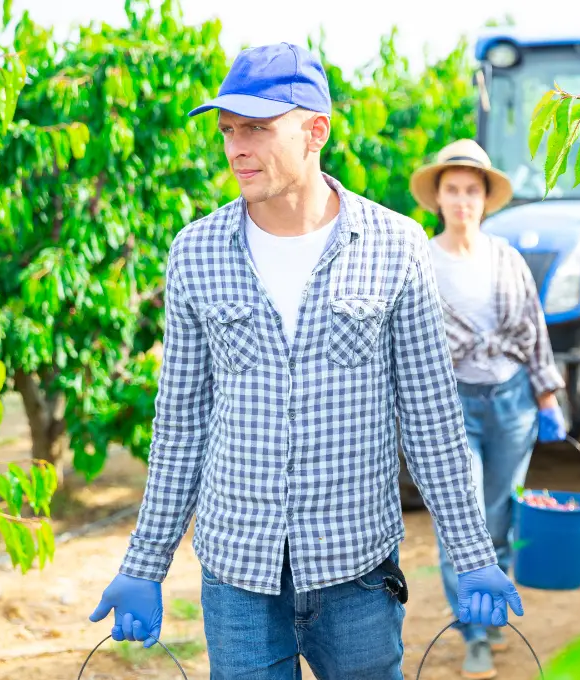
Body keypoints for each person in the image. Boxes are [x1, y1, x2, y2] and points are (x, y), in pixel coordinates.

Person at [86, 43, 523, 679]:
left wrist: (471, 550)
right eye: (228, 130)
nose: (237, 148)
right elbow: (180, 423)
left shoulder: (394, 244)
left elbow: (430, 416)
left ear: (316, 129)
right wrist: (144, 564)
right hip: (238, 576)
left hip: (357, 573)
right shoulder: (196, 252)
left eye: (257, 129)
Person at [407, 139, 567, 679]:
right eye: (451, 190)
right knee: (463, 519)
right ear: (438, 198)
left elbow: (531, 329)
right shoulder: (421, 261)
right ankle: (472, 632)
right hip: (451, 405)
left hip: (512, 402)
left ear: (483, 197)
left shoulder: (507, 259)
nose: (461, 200)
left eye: (470, 190)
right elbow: (407, 342)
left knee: (500, 518)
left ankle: (493, 611)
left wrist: (548, 396)